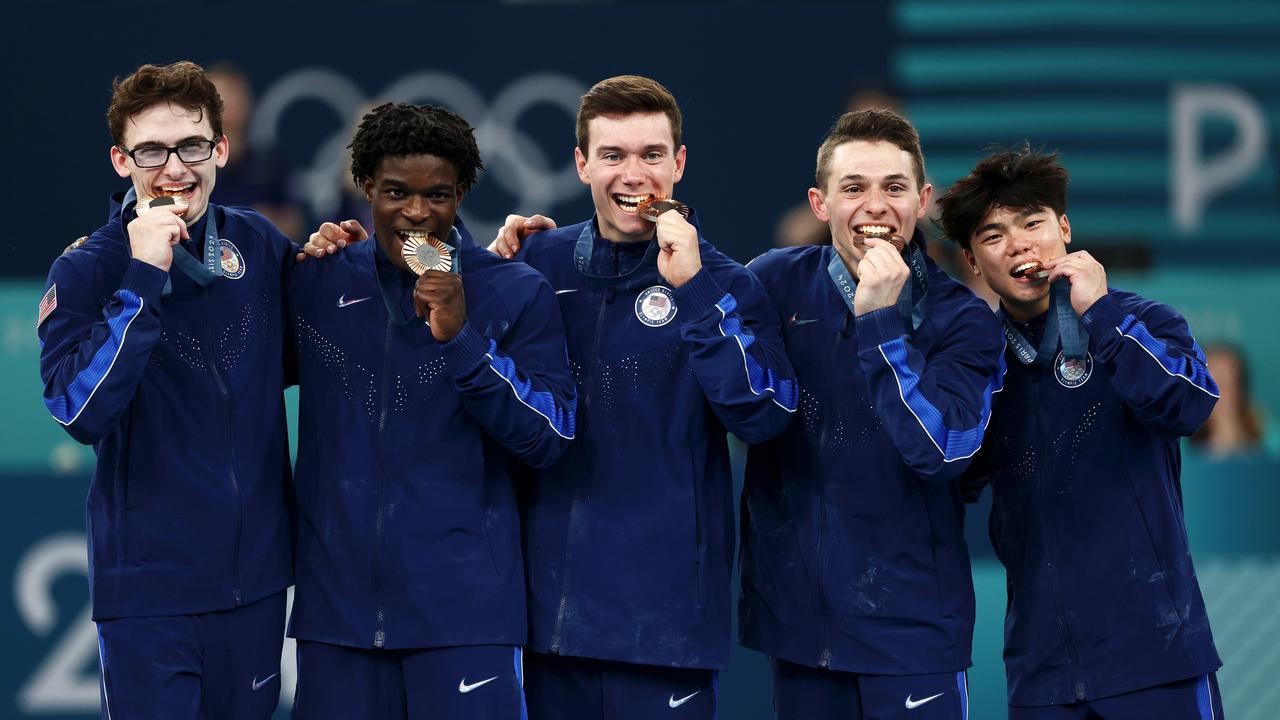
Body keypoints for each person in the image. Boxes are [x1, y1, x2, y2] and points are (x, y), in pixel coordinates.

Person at [305, 74, 797, 719]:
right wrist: (354, 249)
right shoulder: (535, 263)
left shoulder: (725, 282)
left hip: (663, 623)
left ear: (679, 163)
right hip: (541, 623)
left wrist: (696, 291)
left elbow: (762, 416)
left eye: (652, 155)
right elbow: (443, 273)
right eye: (613, 155)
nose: (634, 175)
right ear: (581, 164)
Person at [286, 101, 576, 718]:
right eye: (395, 192)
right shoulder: (316, 282)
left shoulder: (512, 290)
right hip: (337, 622)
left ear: (463, 191)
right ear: (365, 186)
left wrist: (462, 337)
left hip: (467, 620)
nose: (417, 213)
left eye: (437, 195)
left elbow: (549, 437)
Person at [38, 61, 294, 718]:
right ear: (122, 160)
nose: (174, 168)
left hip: (256, 587)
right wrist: (142, 278)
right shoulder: (88, 268)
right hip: (149, 595)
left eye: (192, 146)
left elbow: (316, 357)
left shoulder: (260, 246)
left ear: (222, 150)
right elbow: (78, 410)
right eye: (152, 150)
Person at [936, 147, 1225, 719]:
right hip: (1041, 676)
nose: (1019, 243)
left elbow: (1191, 408)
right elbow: (946, 473)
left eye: (1033, 222)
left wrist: (1104, 316)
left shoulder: (1143, 320)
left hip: (1156, 659)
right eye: (993, 236)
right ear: (971, 261)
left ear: (1064, 228)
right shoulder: (977, 361)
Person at [738, 108, 1006, 720]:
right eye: (853, 188)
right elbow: (682, 288)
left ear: (923, 201)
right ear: (820, 203)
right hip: (799, 630)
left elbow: (941, 453)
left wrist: (881, 324)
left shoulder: (963, 321)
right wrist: (528, 258)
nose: (876, 206)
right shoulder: (773, 282)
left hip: (913, 633)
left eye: (894, 188)